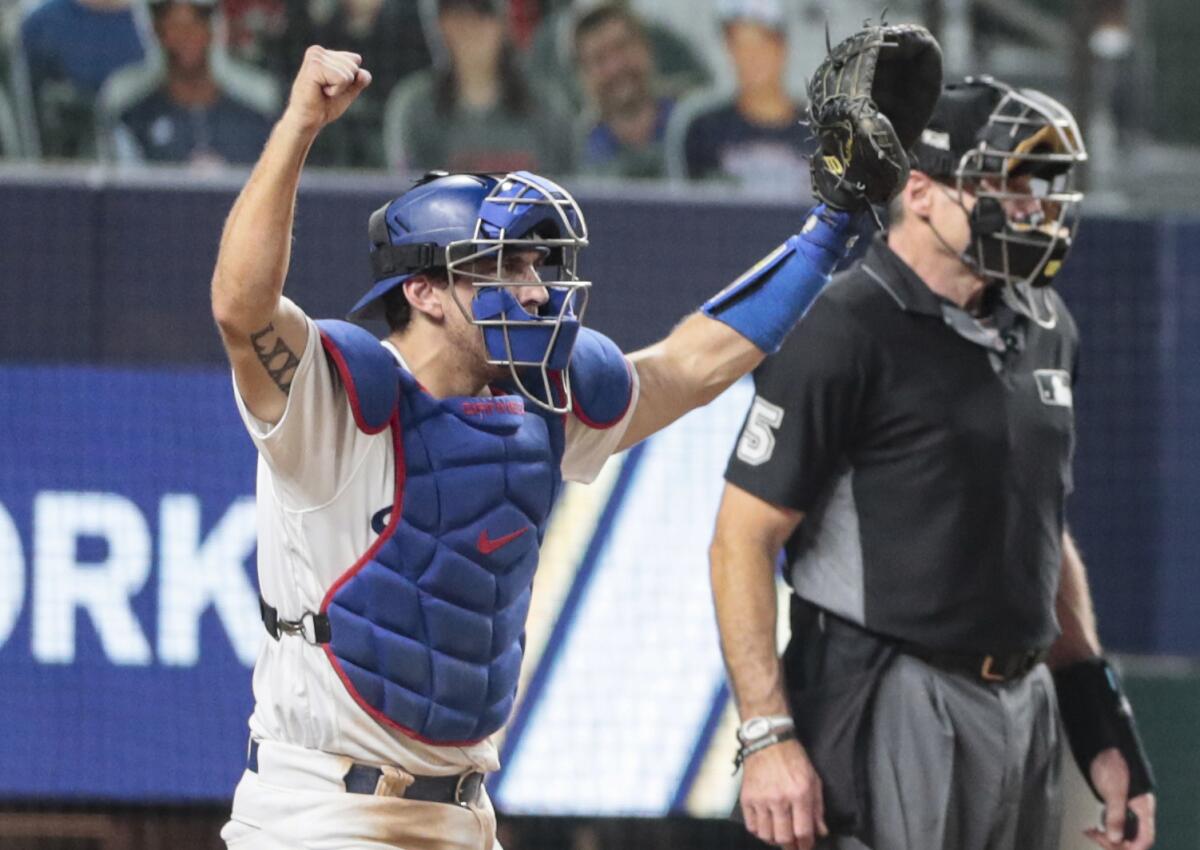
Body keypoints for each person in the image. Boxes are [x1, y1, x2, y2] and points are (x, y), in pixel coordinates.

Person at [210, 38, 899, 848]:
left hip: (462, 813)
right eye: (504, 268)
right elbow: (242, 309)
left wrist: (826, 236)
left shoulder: (540, 401)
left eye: (539, 265)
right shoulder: (341, 399)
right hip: (321, 811)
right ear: (424, 291)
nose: (536, 291)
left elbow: (689, 367)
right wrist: (300, 123)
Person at [710, 77, 1157, 850]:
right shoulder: (846, 325)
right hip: (890, 687)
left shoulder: (1048, 322)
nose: (1034, 209)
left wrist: (1097, 713)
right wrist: (766, 734)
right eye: (1007, 185)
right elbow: (739, 541)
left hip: (1026, 701)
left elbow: (1040, 527)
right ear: (919, 191)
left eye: (1042, 187)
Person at [382, 0, 573, 176]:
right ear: (440, 26)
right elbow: (407, 191)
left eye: (482, 15)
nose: (469, 28)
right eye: (457, 16)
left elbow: (570, 189)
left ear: (502, 25)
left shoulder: (547, 108)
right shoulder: (415, 107)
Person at [665, 0, 812, 197]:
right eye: (740, 45)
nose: (752, 57)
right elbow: (687, 213)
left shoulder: (826, 132)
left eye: (761, 43)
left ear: (781, 47)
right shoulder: (702, 128)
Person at [108, 0, 274, 165]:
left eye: (195, 24)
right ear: (159, 33)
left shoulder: (250, 119)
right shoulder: (136, 119)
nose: (186, 37)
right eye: (175, 27)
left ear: (211, 31)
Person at [19, 0, 152, 158]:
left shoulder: (159, 22)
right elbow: (24, 123)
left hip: (152, 168)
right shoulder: (42, 26)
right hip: (61, 167)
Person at [572, 2, 681, 179]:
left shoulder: (693, 128)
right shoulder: (576, 151)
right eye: (599, 59)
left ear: (646, 48)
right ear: (583, 76)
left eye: (622, 48)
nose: (616, 67)